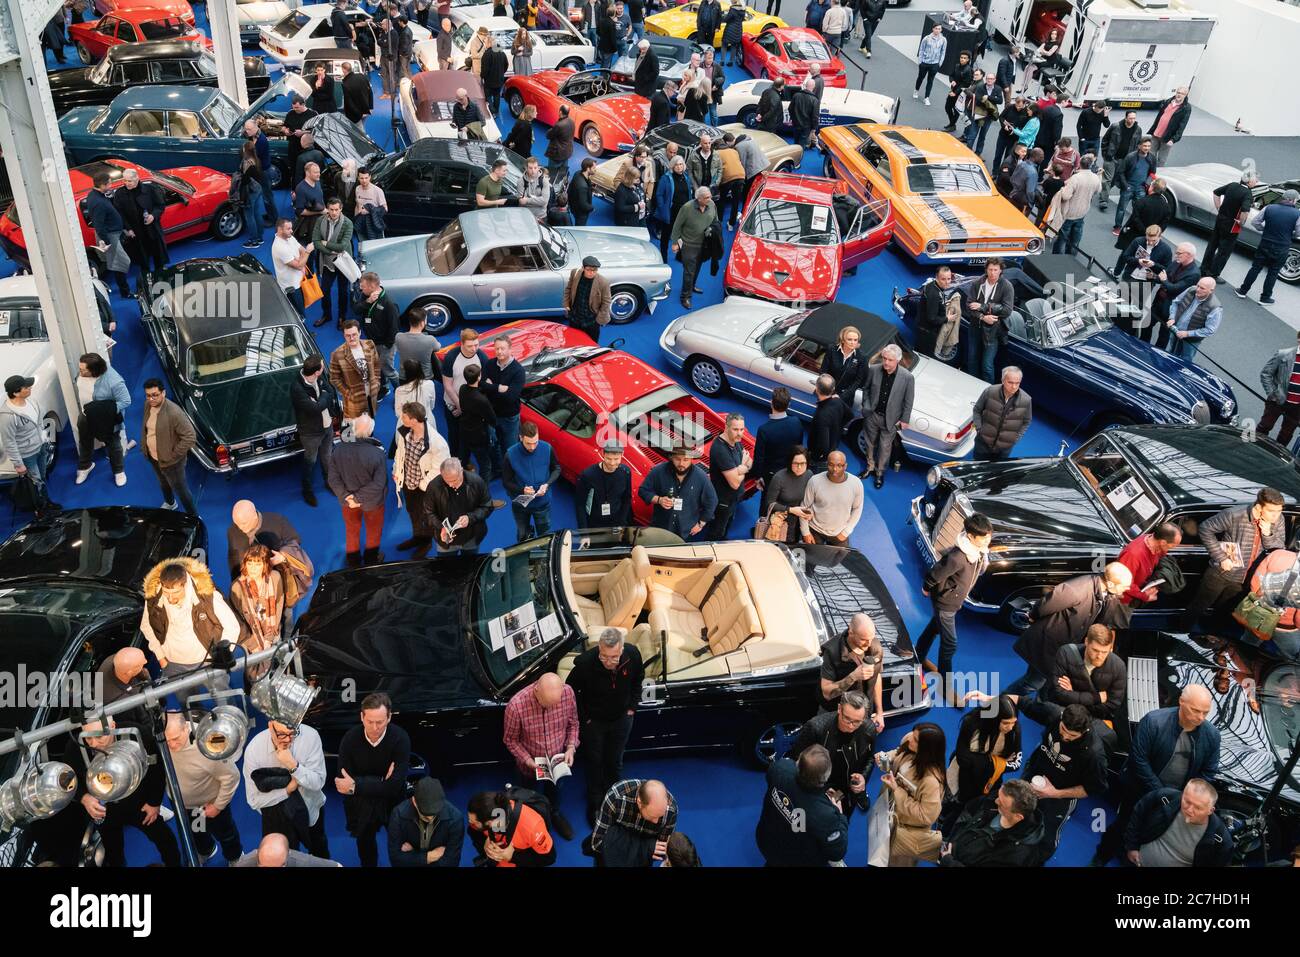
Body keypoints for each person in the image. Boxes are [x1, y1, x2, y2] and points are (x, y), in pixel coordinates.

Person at [1093, 685, 1220, 865]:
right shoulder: (1153, 721)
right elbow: (1139, 759)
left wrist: (1183, 799)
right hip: (1140, 789)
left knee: (1154, 832)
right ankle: (1102, 855)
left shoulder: (1212, 736)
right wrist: (1162, 794)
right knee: (1124, 824)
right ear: (1181, 702)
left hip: (1178, 800)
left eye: (1205, 713)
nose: (1201, 718)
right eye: (1196, 710)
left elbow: (1208, 772)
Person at [52, 717, 180, 867]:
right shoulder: (75, 748)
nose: (94, 744)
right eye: (88, 738)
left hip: (138, 803)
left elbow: (156, 770)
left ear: (112, 726)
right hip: (104, 810)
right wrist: (84, 797)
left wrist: (154, 802)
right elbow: (69, 779)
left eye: (99, 736)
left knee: (164, 839)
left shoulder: (137, 735)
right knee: (113, 853)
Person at [1006, 562, 1133, 698]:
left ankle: (1036, 705)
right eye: (1125, 586)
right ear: (1111, 584)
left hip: (1060, 646)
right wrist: (1033, 615)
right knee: (1033, 682)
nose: (1128, 589)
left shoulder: (1106, 592)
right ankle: (1000, 705)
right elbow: (1046, 605)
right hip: (1048, 645)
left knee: (1046, 683)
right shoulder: (1078, 589)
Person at [567, 628, 645, 825]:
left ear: (621, 650)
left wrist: (632, 708)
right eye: (603, 656)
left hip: (621, 720)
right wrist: (585, 719)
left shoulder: (633, 655)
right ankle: (595, 803)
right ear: (599, 648)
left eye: (614, 657)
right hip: (595, 723)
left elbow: (638, 680)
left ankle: (614, 797)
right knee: (594, 762)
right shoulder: (585, 664)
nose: (608, 662)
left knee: (615, 761)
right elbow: (570, 690)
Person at [1184, 487, 1287, 631]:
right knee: (1199, 605)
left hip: (1245, 578)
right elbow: (1205, 529)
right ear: (1258, 506)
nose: (1276, 516)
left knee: (1224, 611)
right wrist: (1221, 557)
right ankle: (1182, 632)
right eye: (1271, 511)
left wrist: (1268, 533)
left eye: (1279, 511)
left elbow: (1279, 549)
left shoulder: (1278, 520)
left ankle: (1213, 637)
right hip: (1220, 572)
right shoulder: (1234, 515)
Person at [1020, 703, 1108, 861]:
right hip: (1033, 773)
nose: (1065, 737)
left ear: (1085, 731)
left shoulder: (1094, 755)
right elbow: (1022, 701)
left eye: (1072, 736)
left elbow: (1093, 788)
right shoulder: (1054, 714)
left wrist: (1055, 793)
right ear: (1061, 719)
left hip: (1059, 798)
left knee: (1047, 836)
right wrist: (992, 699)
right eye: (1063, 730)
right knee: (1018, 809)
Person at [334, 693, 412, 867]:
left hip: (392, 803)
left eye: (380, 722)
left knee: (400, 843)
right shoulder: (350, 739)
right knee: (365, 846)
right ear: (362, 716)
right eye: (370, 721)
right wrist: (382, 781)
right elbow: (342, 783)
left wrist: (356, 785)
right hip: (361, 805)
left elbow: (394, 787)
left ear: (389, 717)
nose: (375, 727)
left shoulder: (400, 738)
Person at [914, 512, 992, 683]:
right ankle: (945, 681)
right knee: (950, 644)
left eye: (989, 536)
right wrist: (926, 587)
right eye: (984, 537)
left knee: (934, 627)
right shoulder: (958, 557)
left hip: (954, 599)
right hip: (946, 603)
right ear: (971, 536)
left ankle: (918, 655)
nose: (988, 540)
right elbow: (936, 572)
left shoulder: (978, 551)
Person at [503, 673, 580, 840]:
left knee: (556, 791)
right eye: (546, 704)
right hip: (529, 765)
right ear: (536, 690)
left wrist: (571, 747)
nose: (551, 708)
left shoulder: (567, 693)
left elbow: (573, 723)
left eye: (555, 704)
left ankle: (554, 813)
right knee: (528, 798)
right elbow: (510, 740)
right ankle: (532, 824)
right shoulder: (516, 705)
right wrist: (528, 761)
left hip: (557, 761)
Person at [161, 712, 242, 864]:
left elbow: (231, 777)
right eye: (167, 740)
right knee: (198, 831)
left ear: (186, 727)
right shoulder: (162, 741)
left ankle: (235, 857)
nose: (171, 745)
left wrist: (218, 806)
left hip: (210, 804)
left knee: (226, 835)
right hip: (185, 805)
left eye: (176, 738)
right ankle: (207, 851)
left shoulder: (209, 745)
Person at [243, 720, 330, 858]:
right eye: (282, 734)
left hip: (310, 808)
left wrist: (293, 765)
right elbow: (254, 800)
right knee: (285, 857)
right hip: (277, 817)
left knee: (319, 849)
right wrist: (287, 790)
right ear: (270, 726)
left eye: (293, 733)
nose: (288, 740)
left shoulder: (310, 736)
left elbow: (318, 782)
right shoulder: (254, 750)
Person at [756, 745, 848, 866]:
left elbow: (771, 777)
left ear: (798, 762)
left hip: (766, 841)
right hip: (797, 860)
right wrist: (840, 815)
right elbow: (837, 852)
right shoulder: (825, 815)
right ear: (825, 777)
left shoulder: (780, 768)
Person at [788, 691, 874, 820]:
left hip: (848, 785)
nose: (851, 726)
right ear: (839, 708)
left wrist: (863, 777)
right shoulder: (815, 727)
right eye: (847, 719)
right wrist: (818, 791)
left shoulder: (868, 729)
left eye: (857, 722)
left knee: (844, 819)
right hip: (820, 785)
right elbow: (797, 762)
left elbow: (870, 758)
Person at [942, 696, 1022, 833]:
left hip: (989, 781)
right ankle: (942, 824)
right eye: (1005, 723)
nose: (1010, 727)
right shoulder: (972, 723)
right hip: (960, 777)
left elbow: (1016, 763)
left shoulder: (1014, 732)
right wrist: (996, 763)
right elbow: (962, 758)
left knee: (973, 811)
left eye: (1013, 722)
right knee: (952, 805)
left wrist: (981, 762)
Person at [878, 724, 947, 866]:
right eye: (912, 735)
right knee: (881, 849)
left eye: (915, 740)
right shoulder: (910, 745)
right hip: (890, 812)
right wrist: (886, 758)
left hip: (906, 831)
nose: (910, 740)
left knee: (897, 862)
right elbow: (898, 753)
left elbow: (925, 815)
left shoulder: (931, 781)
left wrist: (897, 790)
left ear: (927, 749)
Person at [1126, 779, 1233, 868]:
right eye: (1187, 801)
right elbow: (1137, 815)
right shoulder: (1164, 798)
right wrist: (1132, 847)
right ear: (1182, 795)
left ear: (1210, 810)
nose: (1189, 810)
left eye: (1198, 807)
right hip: (1136, 862)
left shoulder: (1221, 839)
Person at [939, 778, 1046, 867]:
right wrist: (952, 841)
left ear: (1018, 816)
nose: (995, 801)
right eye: (999, 796)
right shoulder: (995, 800)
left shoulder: (1016, 855)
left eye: (1001, 803)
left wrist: (949, 862)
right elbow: (967, 814)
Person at [328, 413, 388, 567]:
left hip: (348, 504)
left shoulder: (338, 450)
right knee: (373, 533)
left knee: (351, 531)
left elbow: (333, 479)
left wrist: (348, 497)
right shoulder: (377, 453)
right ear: (370, 432)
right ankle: (370, 561)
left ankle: (353, 562)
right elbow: (379, 483)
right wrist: (357, 497)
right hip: (373, 504)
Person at [393, 400, 449, 559]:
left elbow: (439, 469)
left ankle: (426, 542)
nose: (401, 418)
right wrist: (397, 470)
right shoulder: (405, 432)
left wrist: (421, 484)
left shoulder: (437, 443)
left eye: (404, 416)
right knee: (412, 511)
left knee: (426, 515)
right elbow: (400, 453)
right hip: (407, 483)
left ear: (414, 419)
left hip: (423, 488)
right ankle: (417, 537)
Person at [139, 378, 197, 514]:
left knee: (182, 491)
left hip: (172, 463)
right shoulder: (147, 405)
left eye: (155, 395)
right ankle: (170, 503)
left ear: (163, 393)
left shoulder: (174, 413)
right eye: (148, 395)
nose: (151, 399)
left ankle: (194, 517)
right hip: (154, 457)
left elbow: (190, 437)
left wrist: (173, 455)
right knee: (163, 482)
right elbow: (148, 428)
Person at [2, 376, 59, 513]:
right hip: (28, 455)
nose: (30, 388)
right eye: (26, 387)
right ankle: (40, 508)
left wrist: (45, 439)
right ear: (16, 393)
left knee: (43, 476)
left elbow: (39, 423)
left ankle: (45, 501)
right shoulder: (7, 416)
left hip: (41, 447)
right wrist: (18, 464)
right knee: (36, 481)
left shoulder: (32, 402)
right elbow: (9, 442)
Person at [860, 344, 913, 489]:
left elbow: (908, 401)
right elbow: (866, 389)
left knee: (885, 447)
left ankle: (879, 473)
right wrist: (866, 405)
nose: (886, 363)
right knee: (870, 443)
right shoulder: (874, 370)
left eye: (890, 359)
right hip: (872, 415)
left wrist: (905, 419)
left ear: (898, 360)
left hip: (891, 419)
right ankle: (870, 467)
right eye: (884, 358)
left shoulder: (907, 377)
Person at [817, 612, 884, 727]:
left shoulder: (875, 647)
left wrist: (879, 712)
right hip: (835, 715)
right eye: (863, 639)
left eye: (871, 638)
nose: (868, 644)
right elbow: (827, 692)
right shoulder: (833, 651)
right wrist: (853, 676)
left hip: (863, 714)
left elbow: (876, 677)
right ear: (851, 632)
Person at [73, 352, 130, 488]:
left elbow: (126, 400)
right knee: (85, 442)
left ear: (94, 370)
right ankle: (85, 466)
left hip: (106, 420)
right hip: (85, 416)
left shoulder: (114, 381)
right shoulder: (83, 373)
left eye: (83, 370)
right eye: (79, 368)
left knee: (113, 445)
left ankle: (119, 471)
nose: (80, 372)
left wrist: (104, 411)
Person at [590, 779, 677, 867]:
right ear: (639, 802)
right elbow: (597, 844)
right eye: (653, 816)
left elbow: (660, 851)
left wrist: (616, 839)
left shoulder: (670, 810)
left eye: (660, 816)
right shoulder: (616, 797)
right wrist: (645, 848)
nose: (656, 821)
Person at [1234, 188, 1300, 305]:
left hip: (1265, 243)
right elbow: (1299, 232)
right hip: (1282, 247)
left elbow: (1255, 222)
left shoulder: (1269, 208)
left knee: (1255, 268)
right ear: (1293, 200)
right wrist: (1289, 233)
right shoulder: (1297, 214)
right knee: (1273, 272)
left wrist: (1265, 229)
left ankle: (1242, 291)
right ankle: (1265, 298)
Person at [290, 355, 338, 507]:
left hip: (327, 425)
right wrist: (324, 396)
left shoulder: (320, 375)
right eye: (322, 366)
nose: (324, 367)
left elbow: (330, 391)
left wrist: (322, 399)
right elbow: (315, 408)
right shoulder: (297, 388)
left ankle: (329, 482)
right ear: (317, 372)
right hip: (311, 433)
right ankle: (307, 490)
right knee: (310, 461)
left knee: (327, 457)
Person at [639, 446, 717, 538]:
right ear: (671, 457)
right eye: (677, 459)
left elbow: (712, 501)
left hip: (687, 532)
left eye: (686, 460)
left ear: (691, 459)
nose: (681, 463)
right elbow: (643, 491)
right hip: (661, 528)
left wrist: (701, 523)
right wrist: (659, 500)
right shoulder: (658, 471)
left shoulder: (701, 477)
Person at [502, 420, 559, 541]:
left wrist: (547, 484)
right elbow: (506, 482)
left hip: (542, 503)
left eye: (535, 442)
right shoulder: (510, 454)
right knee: (522, 535)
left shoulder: (547, 448)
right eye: (528, 443)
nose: (532, 447)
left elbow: (556, 469)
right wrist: (522, 489)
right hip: (520, 504)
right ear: (520, 437)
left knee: (545, 536)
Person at [388, 777, 464, 867]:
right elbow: (396, 859)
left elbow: (451, 863)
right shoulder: (398, 814)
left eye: (435, 815)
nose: (431, 819)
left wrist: (412, 856)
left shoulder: (455, 819)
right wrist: (428, 857)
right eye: (425, 816)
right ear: (414, 802)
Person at [423, 457, 494, 554]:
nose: (451, 484)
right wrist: (441, 527)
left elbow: (487, 506)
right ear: (441, 474)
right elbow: (428, 513)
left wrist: (470, 518)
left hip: (471, 537)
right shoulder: (434, 486)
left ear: (461, 470)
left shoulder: (477, 482)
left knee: (472, 566)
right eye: (447, 481)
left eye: (455, 480)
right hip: (445, 540)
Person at [466, 790, 556, 866]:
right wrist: (485, 845)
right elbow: (473, 832)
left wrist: (512, 857)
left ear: (490, 822)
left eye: (475, 822)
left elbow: (549, 858)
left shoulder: (532, 827)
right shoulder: (494, 812)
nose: (471, 823)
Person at [963, 258, 1015, 384]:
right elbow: (969, 306)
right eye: (990, 269)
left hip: (993, 330)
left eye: (995, 270)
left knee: (987, 365)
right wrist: (982, 317)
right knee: (972, 360)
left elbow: (1007, 310)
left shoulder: (1006, 286)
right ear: (986, 269)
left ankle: (988, 390)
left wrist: (983, 307)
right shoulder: (977, 283)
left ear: (1000, 271)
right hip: (976, 326)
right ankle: (972, 385)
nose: (992, 273)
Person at [113, 168, 167, 281]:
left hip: (153, 230)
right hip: (136, 232)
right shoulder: (119, 194)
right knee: (142, 259)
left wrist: (153, 216)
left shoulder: (150, 189)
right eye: (125, 180)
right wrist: (128, 228)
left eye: (129, 181)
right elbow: (119, 214)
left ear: (137, 179)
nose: (126, 183)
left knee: (159, 255)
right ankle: (147, 278)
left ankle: (160, 276)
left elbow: (160, 206)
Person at [1201, 168, 1257, 279]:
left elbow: (1216, 193)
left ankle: (1204, 268)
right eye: (1255, 180)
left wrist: (1219, 207)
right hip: (1231, 225)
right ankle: (1213, 273)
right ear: (1249, 181)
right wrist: (1241, 222)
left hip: (1220, 219)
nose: (1256, 182)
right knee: (1224, 251)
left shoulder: (1232, 185)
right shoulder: (1247, 194)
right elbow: (1245, 210)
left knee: (1212, 245)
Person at [704, 412, 752, 539]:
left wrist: (742, 468)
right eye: (735, 429)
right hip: (723, 501)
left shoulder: (736, 442)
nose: (740, 433)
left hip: (732, 500)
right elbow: (735, 483)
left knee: (726, 526)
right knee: (716, 532)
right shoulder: (720, 450)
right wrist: (743, 465)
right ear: (726, 427)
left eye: (742, 429)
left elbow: (751, 463)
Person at [83, 171, 131, 297]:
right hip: (110, 237)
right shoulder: (99, 202)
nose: (111, 186)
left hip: (112, 234)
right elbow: (99, 225)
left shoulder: (94, 195)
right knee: (121, 263)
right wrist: (108, 242)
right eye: (109, 184)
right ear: (102, 185)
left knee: (112, 262)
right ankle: (125, 292)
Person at [799, 450, 862, 544]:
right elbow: (804, 506)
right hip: (815, 529)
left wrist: (846, 532)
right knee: (812, 558)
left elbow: (857, 509)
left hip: (839, 532)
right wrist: (805, 532)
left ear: (845, 466)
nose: (835, 469)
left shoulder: (856, 483)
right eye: (831, 465)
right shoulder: (815, 481)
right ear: (827, 464)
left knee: (840, 558)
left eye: (839, 465)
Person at [440, 328, 487, 454]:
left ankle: (465, 462)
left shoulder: (481, 357)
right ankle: (454, 458)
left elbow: (483, 383)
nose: (474, 349)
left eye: (476, 345)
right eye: (470, 346)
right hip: (453, 404)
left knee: (468, 436)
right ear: (462, 343)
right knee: (454, 434)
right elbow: (447, 385)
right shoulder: (451, 357)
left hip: (472, 407)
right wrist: (460, 405)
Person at [1147, 242, 1202, 348]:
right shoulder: (1176, 262)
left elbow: (1175, 289)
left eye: (1179, 253)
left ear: (1188, 255)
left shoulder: (1194, 274)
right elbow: (1165, 275)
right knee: (1146, 325)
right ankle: (1143, 346)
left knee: (1163, 335)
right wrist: (1154, 276)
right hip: (1159, 301)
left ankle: (1156, 354)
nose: (1176, 255)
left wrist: (1164, 280)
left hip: (1171, 308)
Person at [312, 197, 355, 330]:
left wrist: (326, 244)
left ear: (341, 209)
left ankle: (342, 317)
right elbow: (315, 241)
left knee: (343, 291)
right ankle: (327, 315)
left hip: (343, 262)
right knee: (324, 290)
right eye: (331, 209)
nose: (334, 212)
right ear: (327, 209)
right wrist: (330, 250)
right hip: (327, 262)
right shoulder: (320, 220)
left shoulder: (348, 223)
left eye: (337, 209)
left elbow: (342, 246)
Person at [972, 366, 1031, 460]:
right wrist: (979, 429)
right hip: (983, 443)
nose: (1014, 386)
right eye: (1010, 382)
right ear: (1003, 380)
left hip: (1004, 449)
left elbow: (1027, 421)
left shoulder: (1026, 400)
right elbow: (977, 410)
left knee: (996, 472)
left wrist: (1016, 438)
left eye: (1017, 383)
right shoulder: (990, 391)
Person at [1117, 521, 1183, 606]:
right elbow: (1124, 583)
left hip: (1139, 591)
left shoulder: (1156, 545)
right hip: (1124, 600)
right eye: (1174, 545)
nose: (1174, 548)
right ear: (1162, 542)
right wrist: (1145, 596)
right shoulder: (1133, 555)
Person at [1048, 153, 1102, 254]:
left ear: (1080, 165)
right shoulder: (1095, 178)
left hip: (1070, 213)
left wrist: (1062, 189)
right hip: (1083, 212)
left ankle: (1056, 259)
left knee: (1062, 238)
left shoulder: (1076, 178)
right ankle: (1071, 259)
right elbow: (1098, 190)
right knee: (1075, 239)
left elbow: (1065, 196)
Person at [330, 320, 382, 422]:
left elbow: (376, 365)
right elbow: (334, 379)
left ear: (360, 332)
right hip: (354, 400)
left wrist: (376, 383)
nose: (352, 338)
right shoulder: (337, 354)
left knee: (370, 424)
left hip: (371, 394)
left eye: (354, 334)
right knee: (353, 431)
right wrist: (348, 394)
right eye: (348, 335)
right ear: (344, 336)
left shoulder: (369, 344)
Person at [759, 446, 812, 544]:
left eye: (803, 463)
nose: (799, 467)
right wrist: (790, 510)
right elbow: (769, 503)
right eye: (795, 463)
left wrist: (809, 512)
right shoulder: (779, 477)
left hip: (799, 522)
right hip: (779, 523)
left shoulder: (809, 475)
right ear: (790, 462)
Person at [357, 272, 400, 388]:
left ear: (372, 287)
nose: (361, 289)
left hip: (386, 344)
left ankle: (402, 390)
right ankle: (384, 387)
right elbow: (356, 309)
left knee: (388, 370)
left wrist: (388, 345)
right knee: (378, 367)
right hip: (372, 341)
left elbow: (394, 328)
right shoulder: (365, 296)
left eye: (363, 286)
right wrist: (368, 302)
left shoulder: (389, 303)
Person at [753, 388, 804, 486]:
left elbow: (759, 458)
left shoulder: (764, 430)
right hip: (790, 471)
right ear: (788, 405)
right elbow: (799, 448)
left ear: (771, 402)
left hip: (771, 476)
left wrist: (758, 476)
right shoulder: (796, 422)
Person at [576, 440, 633, 528]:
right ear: (603, 453)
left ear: (622, 455)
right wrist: (584, 532)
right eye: (608, 459)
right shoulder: (588, 475)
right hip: (594, 522)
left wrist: (622, 522)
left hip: (616, 522)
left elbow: (627, 499)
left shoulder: (626, 472)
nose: (612, 463)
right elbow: (580, 504)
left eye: (616, 459)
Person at [457, 363, 498, 481]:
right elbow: (493, 420)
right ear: (479, 377)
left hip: (464, 431)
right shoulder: (482, 400)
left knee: (463, 459)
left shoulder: (462, 389)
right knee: (485, 466)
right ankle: (483, 493)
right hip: (478, 436)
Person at [1164, 278, 1221, 362]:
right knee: (1170, 353)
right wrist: (1172, 317)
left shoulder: (1215, 308)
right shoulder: (1191, 290)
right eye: (1198, 285)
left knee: (1185, 360)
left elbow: (1210, 330)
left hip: (1191, 341)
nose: (1197, 289)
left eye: (1202, 288)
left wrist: (1187, 334)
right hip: (1175, 331)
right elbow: (1176, 302)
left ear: (1211, 290)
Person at [1260, 330, 1300, 447]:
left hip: (1297, 407)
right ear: (1299, 339)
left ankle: (1275, 456)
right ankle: (1253, 448)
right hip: (1277, 400)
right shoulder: (1283, 354)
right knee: (1265, 426)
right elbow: (1266, 374)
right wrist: (1272, 393)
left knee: (1286, 435)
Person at [1112, 136, 1158, 233]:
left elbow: (1152, 173)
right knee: (1122, 209)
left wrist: (1147, 183)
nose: (1147, 148)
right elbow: (1121, 172)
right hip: (1128, 187)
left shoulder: (1152, 158)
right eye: (1145, 146)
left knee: (1138, 211)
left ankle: (1132, 227)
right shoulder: (1130, 157)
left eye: (1149, 146)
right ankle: (1117, 227)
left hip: (1141, 188)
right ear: (1139, 146)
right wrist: (1126, 186)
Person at [653, 154, 694, 261]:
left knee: (682, 235)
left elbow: (689, 193)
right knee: (666, 236)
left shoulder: (685, 177)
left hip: (683, 212)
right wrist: (662, 209)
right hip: (670, 212)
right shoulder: (665, 178)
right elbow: (659, 195)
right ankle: (663, 258)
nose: (679, 167)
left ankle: (680, 255)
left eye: (681, 164)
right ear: (672, 166)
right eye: (676, 165)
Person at [271, 218, 312, 318]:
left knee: (301, 308)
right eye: (288, 229)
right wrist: (308, 252)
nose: (292, 231)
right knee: (298, 314)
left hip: (299, 281)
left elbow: (301, 250)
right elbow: (299, 265)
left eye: (291, 228)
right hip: (291, 288)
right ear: (280, 230)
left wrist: (300, 259)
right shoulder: (279, 247)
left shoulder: (290, 238)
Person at [806, 374, 848, 466]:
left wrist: (819, 457)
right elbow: (850, 415)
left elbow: (824, 446)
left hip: (818, 458)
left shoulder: (821, 415)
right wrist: (837, 429)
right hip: (834, 445)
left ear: (817, 389)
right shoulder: (838, 401)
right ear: (833, 389)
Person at [1148, 87, 1190, 166]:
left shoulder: (1186, 108)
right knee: (1150, 156)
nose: (1179, 95)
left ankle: (1158, 176)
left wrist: (1174, 139)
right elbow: (1159, 116)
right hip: (1156, 133)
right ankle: (1148, 173)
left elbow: (1182, 125)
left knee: (1161, 159)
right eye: (1178, 92)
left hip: (1167, 137)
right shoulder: (1168, 101)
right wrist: (1153, 129)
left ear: (1186, 95)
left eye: (1182, 93)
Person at [291, 157, 325, 245]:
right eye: (315, 172)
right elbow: (300, 211)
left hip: (321, 219)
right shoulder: (301, 189)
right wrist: (321, 212)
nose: (319, 174)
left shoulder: (317, 182)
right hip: (310, 225)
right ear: (307, 173)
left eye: (319, 172)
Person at [913, 23, 946, 105]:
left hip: (935, 64)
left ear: (941, 30)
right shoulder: (926, 38)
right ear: (933, 29)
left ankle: (926, 97)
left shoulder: (943, 40)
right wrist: (920, 62)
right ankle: (916, 90)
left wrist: (939, 63)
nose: (938, 30)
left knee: (930, 81)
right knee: (920, 77)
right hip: (924, 63)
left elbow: (943, 52)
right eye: (936, 28)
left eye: (939, 29)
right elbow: (921, 50)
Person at [943, 50, 974, 133]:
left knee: (956, 110)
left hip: (960, 94)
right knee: (947, 107)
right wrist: (952, 80)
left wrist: (955, 93)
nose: (962, 59)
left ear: (968, 60)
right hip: (953, 90)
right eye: (961, 57)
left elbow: (965, 84)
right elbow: (951, 75)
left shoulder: (969, 70)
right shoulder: (957, 66)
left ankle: (952, 125)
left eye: (964, 58)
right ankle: (952, 124)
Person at [545, 105, 575, 185]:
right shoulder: (571, 121)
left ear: (560, 112)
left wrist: (550, 130)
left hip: (557, 154)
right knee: (563, 172)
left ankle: (551, 190)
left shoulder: (559, 125)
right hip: (567, 152)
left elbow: (549, 135)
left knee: (552, 174)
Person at [788, 77, 820, 152]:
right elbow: (815, 116)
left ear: (805, 85)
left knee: (796, 142)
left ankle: (794, 159)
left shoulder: (796, 95)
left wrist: (793, 119)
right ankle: (797, 162)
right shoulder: (815, 100)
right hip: (806, 127)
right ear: (814, 87)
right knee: (801, 145)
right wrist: (814, 128)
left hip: (796, 124)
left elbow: (790, 109)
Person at [1008, 146, 1042, 213]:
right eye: (1041, 157)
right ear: (1035, 157)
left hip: (1012, 194)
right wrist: (1031, 203)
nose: (1043, 159)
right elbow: (1030, 192)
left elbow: (1012, 178)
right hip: (1022, 201)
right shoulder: (1033, 173)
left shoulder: (1022, 163)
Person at [341, 60, 372, 128]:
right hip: (365, 109)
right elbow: (370, 91)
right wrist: (370, 107)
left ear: (344, 70)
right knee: (362, 126)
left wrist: (360, 114)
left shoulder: (345, 84)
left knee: (358, 132)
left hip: (355, 115)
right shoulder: (362, 76)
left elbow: (349, 103)